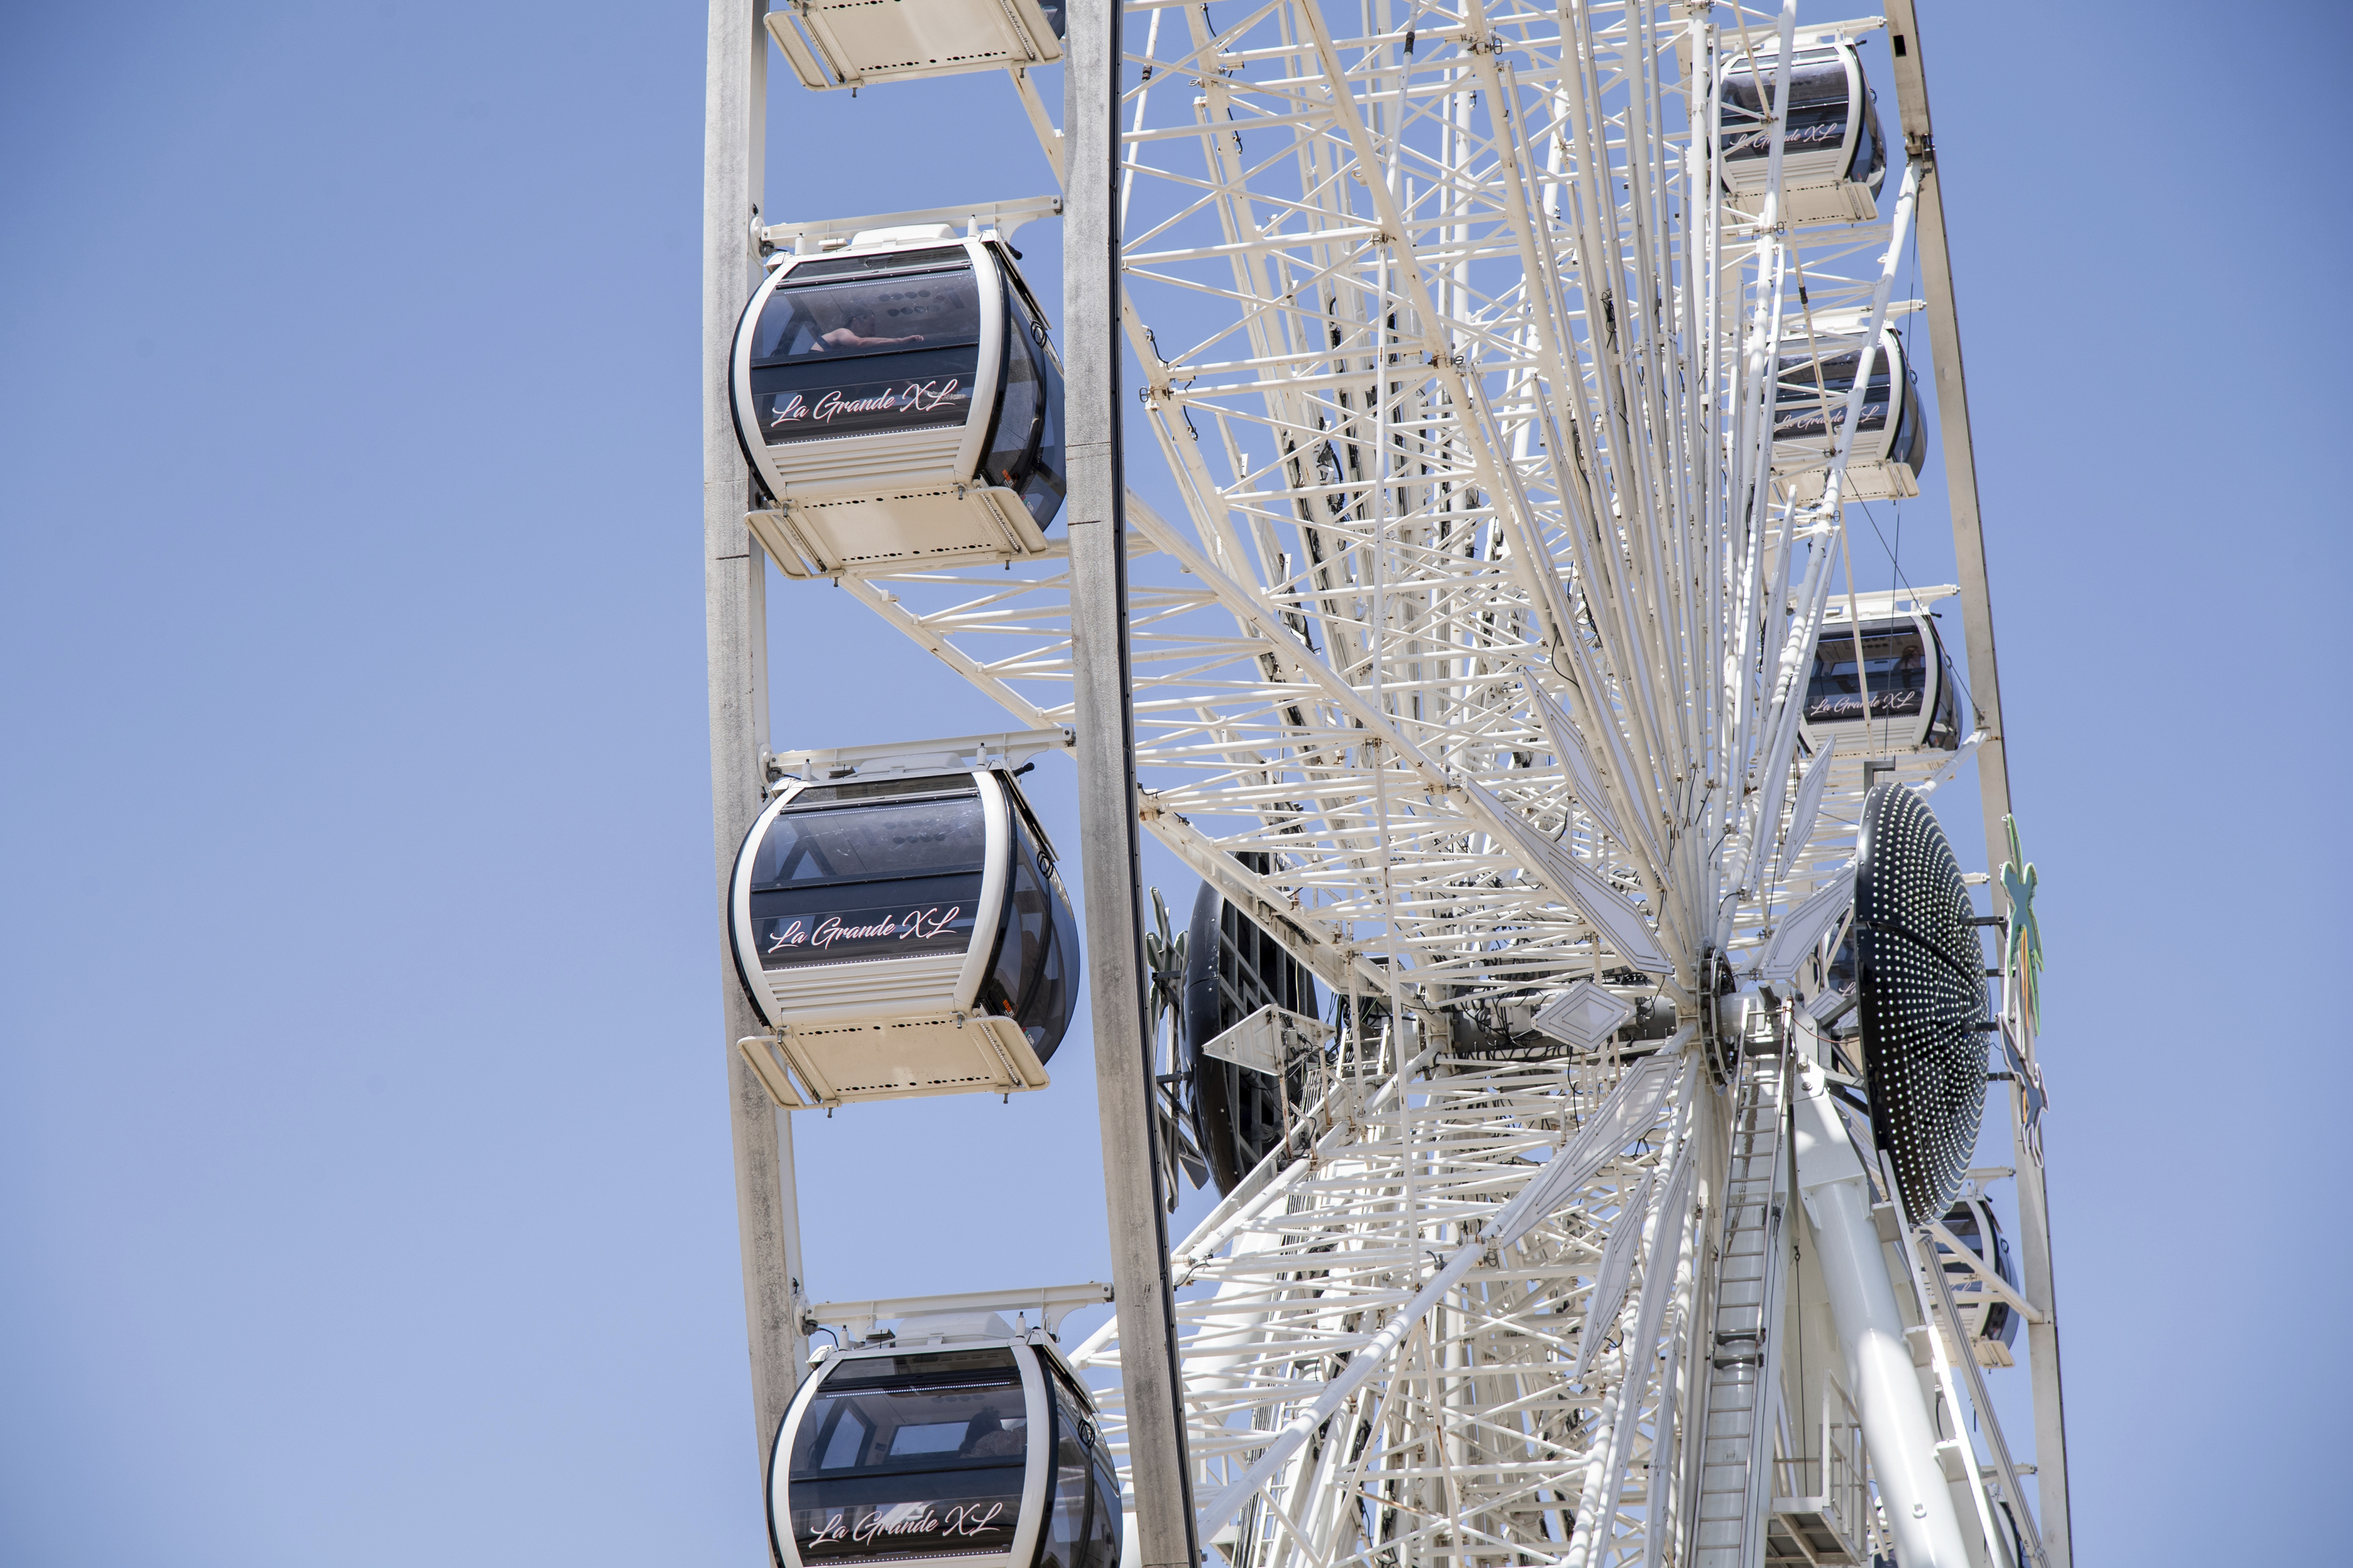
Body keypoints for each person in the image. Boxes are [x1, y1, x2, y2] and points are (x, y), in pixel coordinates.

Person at [817, 310, 924, 352]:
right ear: (856, 322)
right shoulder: (842, 332)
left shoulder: (846, 347)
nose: (873, 333)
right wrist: (900, 341)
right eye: (871, 326)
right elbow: (860, 343)